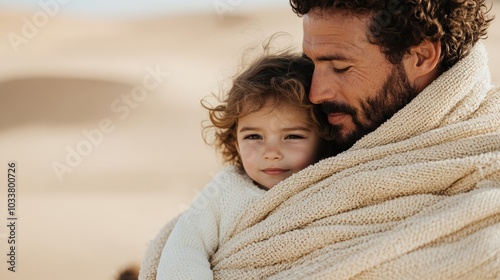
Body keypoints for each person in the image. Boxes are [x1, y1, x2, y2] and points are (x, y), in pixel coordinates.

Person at [140, 1, 500, 279]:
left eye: (340, 67)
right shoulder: (336, 137)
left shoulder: (485, 164)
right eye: (312, 64)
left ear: (421, 56)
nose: (315, 93)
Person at [154, 52, 326, 279]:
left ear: (323, 137)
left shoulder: (328, 183)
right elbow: (184, 248)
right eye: (254, 137)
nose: (271, 153)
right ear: (234, 140)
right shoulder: (224, 191)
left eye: (292, 136)